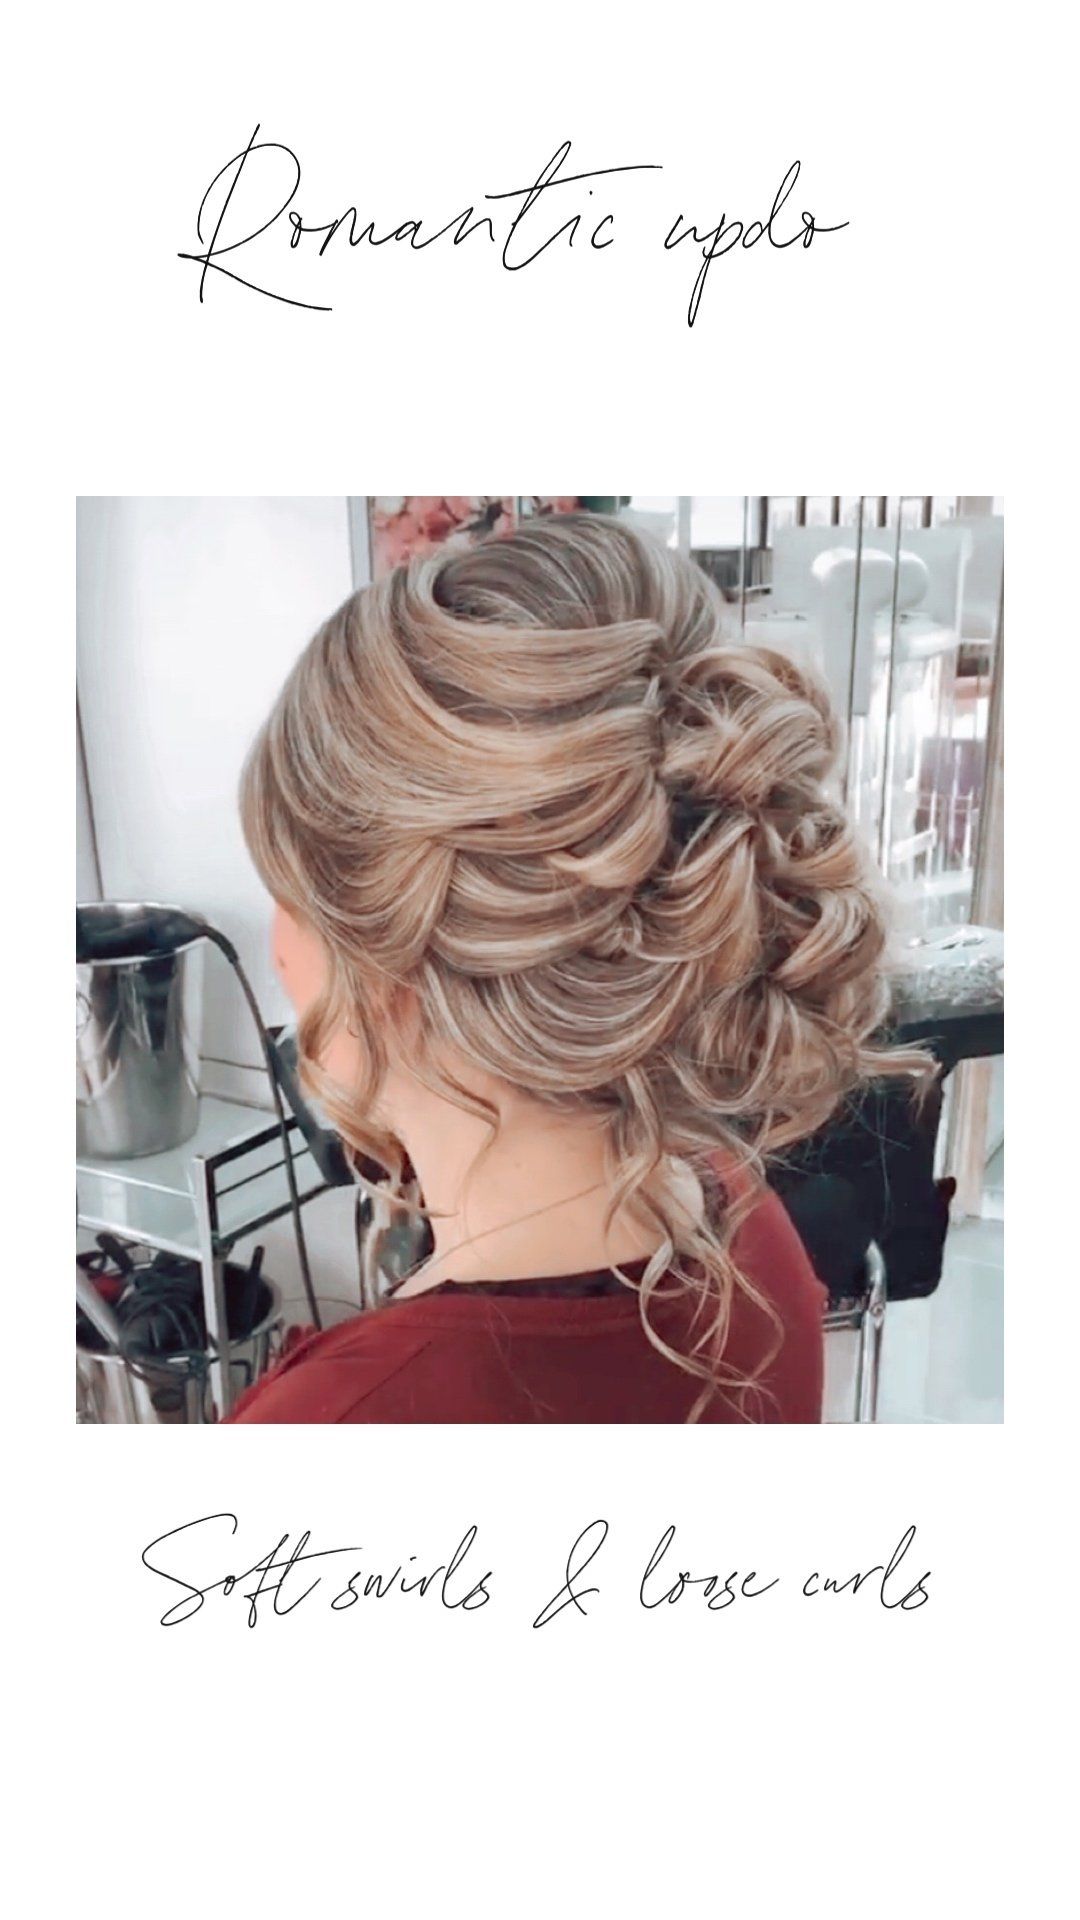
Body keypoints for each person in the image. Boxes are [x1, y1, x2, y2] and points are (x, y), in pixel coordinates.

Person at [228, 512, 930, 1424]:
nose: (277, 946)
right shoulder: (744, 1226)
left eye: (282, 891)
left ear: (390, 962)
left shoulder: (335, 1421)